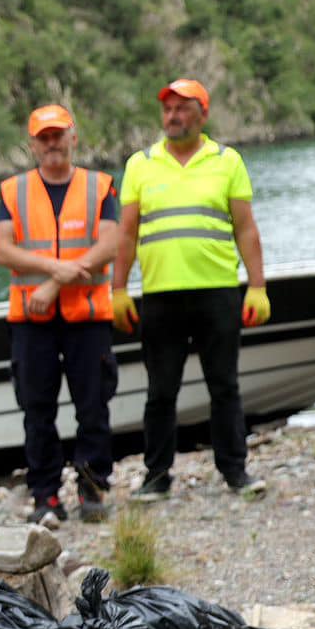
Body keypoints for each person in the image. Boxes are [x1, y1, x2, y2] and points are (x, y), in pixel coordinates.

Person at [113, 78, 267, 499]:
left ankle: (235, 471)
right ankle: (156, 475)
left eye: (182, 108)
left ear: (203, 114)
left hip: (217, 292)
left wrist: (257, 287)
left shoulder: (227, 160)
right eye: (167, 109)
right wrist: (119, 290)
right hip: (161, 296)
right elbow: (126, 235)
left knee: (225, 385)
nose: (173, 116)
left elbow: (246, 228)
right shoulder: (140, 164)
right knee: (161, 391)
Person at [0, 104, 120, 523]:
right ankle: (45, 495)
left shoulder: (100, 186)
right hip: (32, 323)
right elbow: (2, 249)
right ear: (32, 144)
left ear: (73, 137)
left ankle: (93, 485)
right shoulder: (13, 190)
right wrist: (54, 268)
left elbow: (109, 246)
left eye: (58, 135)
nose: (52, 143)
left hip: (87, 317)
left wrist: (54, 284)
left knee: (93, 405)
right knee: (37, 409)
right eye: (43, 137)